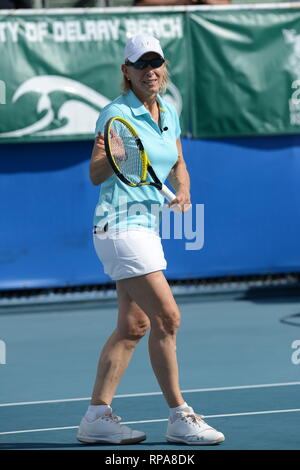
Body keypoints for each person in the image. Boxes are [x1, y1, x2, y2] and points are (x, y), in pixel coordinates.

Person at [76, 34, 225, 446]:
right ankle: (180, 415)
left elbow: (177, 161)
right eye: (140, 65)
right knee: (168, 318)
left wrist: (184, 188)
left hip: (147, 227)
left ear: (164, 67)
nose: (150, 71)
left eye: (155, 63)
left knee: (134, 325)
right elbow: (94, 174)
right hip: (119, 228)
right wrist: (115, 153)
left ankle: (96, 417)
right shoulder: (114, 114)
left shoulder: (168, 112)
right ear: (126, 72)